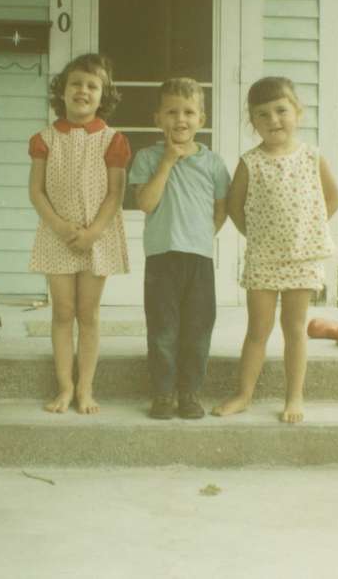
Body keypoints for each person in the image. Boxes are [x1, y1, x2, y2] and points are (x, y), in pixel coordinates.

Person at [212, 76, 338, 423]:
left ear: (297, 112)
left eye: (281, 110)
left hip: (303, 257)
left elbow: (333, 198)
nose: (274, 120)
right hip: (264, 259)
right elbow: (236, 208)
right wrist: (257, 237)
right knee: (258, 329)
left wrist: (308, 229)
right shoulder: (250, 162)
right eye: (262, 115)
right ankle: (244, 394)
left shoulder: (312, 157)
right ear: (252, 122)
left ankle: (294, 397)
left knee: (295, 327)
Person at [28, 53, 130, 415]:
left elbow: (115, 193)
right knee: (62, 312)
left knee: (88, 314)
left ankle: (86, 389)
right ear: (63, 90)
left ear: (103, 96)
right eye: (76, 83)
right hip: (57, 235)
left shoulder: (112, 140)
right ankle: (65, 388)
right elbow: (36, 191)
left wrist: (93, 233)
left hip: (96, 237)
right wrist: (58, 225)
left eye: (92, 85)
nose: (83, 91)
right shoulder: (44, 139)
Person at [129, 78, 230, 419]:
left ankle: (188, 393)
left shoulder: (213, 163)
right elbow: (145, 203)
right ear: (158, 118)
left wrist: (200, 236)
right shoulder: (147, 157)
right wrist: (168, 161)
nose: (180, 119)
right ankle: (162, 394)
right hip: (161, 258)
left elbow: (220, 210)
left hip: (198, 259)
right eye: (172, 112)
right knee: (162, 330)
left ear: (201, 119)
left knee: (197, 330)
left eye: (189, 112)